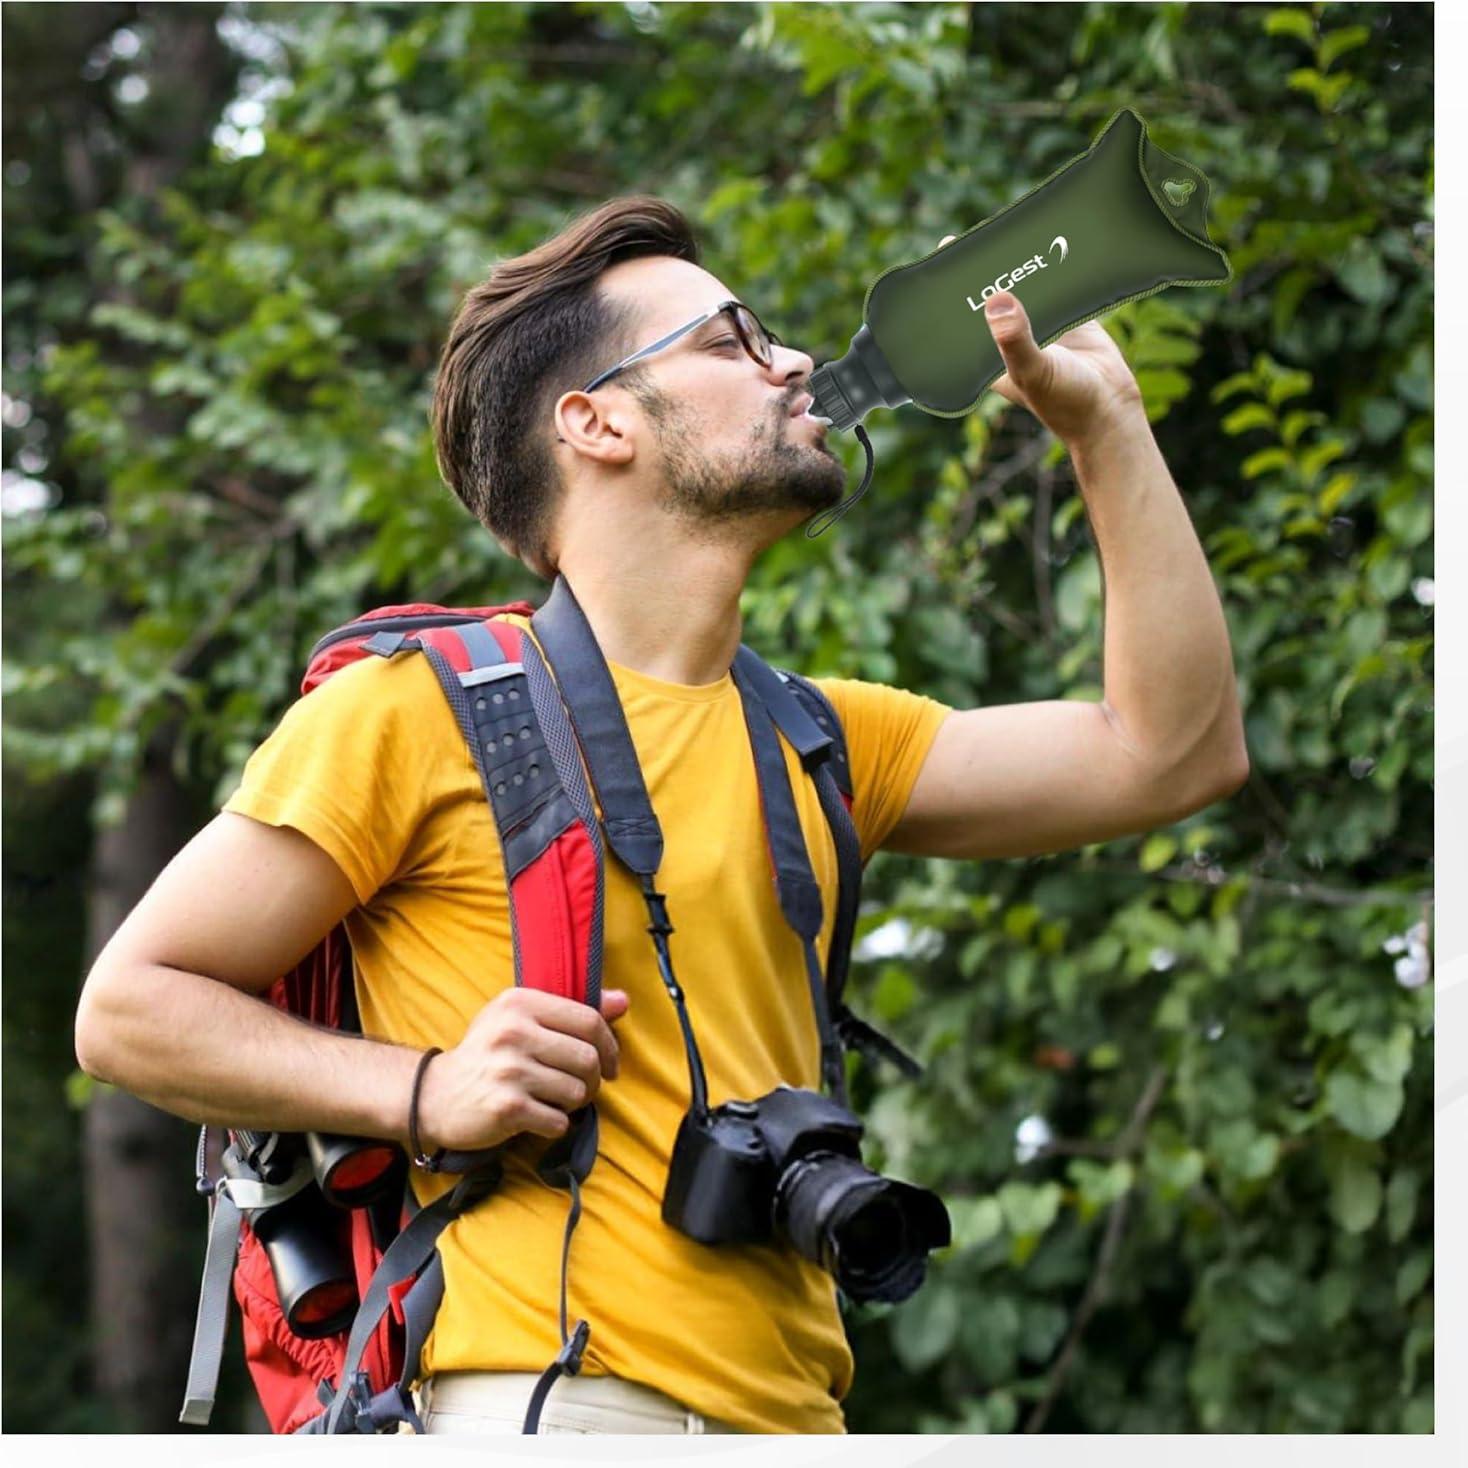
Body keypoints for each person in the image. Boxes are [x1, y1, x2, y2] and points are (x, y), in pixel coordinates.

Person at [74, 196, 1248, 1435]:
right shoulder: (416, 712)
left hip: (799, 1415)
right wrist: (424, 1091)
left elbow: (1170, 754)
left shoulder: (818, 735)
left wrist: (1106, 425)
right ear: (597, 422)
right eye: (732, 340)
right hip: (545, 1402)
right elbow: (129, 1007)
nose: (793, 362)